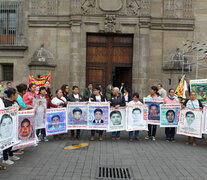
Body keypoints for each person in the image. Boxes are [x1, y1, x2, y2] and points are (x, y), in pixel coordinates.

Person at [2, 88, 20, 165]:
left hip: (12, 125)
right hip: (5, 127)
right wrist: (9, 109)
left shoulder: (14, 102)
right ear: (12, 95)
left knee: (12, 140)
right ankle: (5, 158)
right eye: (16, 94)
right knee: (6, 141)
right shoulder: (4, 102)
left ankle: (11, 154)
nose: (17, 95)